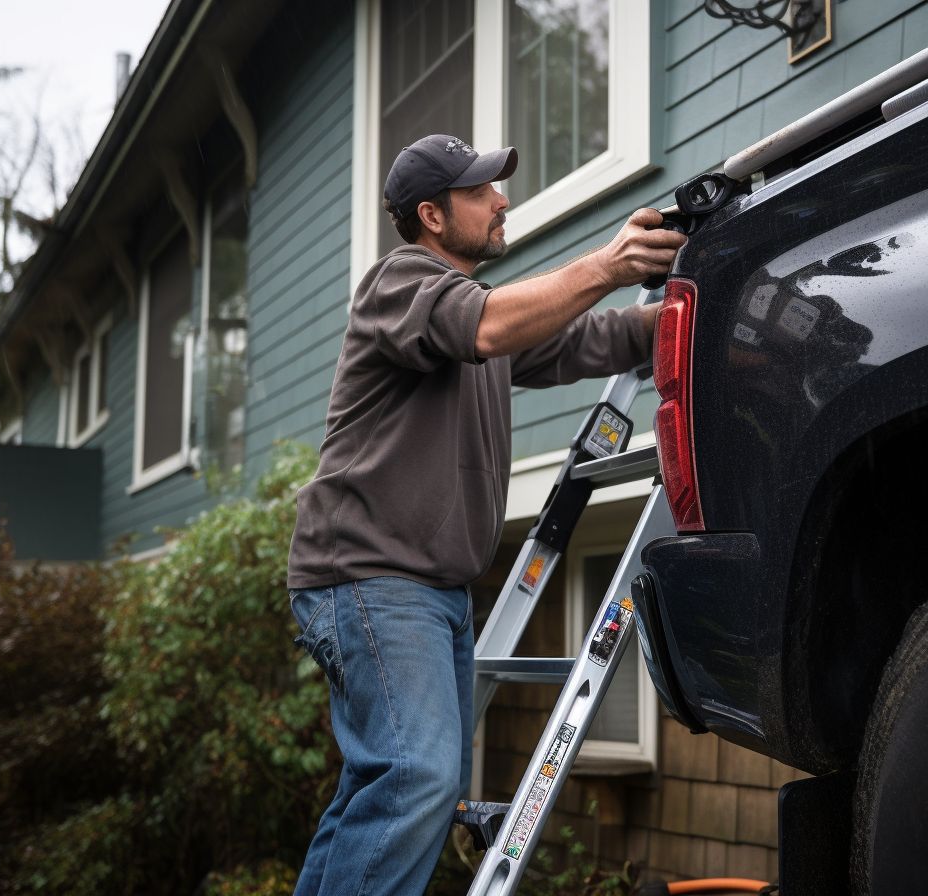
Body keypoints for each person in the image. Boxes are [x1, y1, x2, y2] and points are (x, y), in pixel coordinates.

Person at [285, 133, 686, 896]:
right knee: (416, 779)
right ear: (432, 216)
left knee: (382, 787)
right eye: (482, 192)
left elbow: (576, 339)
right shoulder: (400, 284)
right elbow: (491, 325)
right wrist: (608, 262)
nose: (502, 200)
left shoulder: (473, 320)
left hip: (430, 589)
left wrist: (670, 314)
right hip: (370, 577)